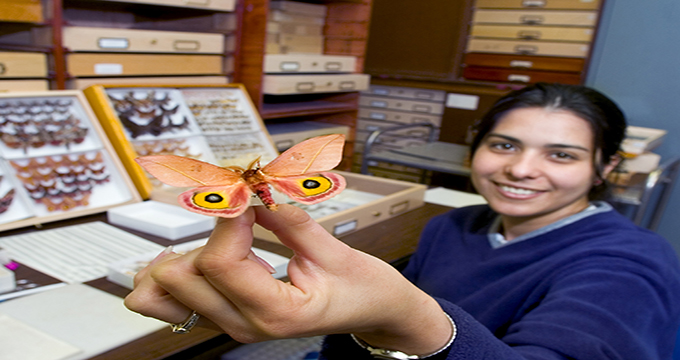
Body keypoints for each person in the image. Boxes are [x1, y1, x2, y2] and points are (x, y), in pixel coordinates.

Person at [124, 83, 680, 359]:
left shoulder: (628, 265)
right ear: (475, 148)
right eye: (504, 144)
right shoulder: (452, 226)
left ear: (606, 167)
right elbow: (354, 329)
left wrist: (406, 318)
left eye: (561, 155)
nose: (521, 170)